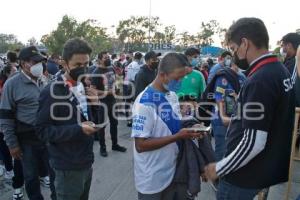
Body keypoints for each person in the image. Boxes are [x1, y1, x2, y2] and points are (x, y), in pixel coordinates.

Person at [204, 17, 295, 200]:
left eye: (234, 49)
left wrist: (219, 168)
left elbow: (254, 142)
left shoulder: (261, 78)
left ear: (245, 43)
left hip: (243, 178)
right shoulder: (279, 70)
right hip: (261, 172)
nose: (234, 55)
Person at [132, 52, 205, 200]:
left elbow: (170, 122)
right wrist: (178, 136)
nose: (181, 81)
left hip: (174, 172)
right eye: (178, 77)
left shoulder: (171, 95)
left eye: (183, 77)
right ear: (163, 75)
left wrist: (190, 123)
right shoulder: (144, 103)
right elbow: (141, 145)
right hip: (152, 180)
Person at [35, 38, 101, 200]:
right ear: (64, 64)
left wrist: (96, 105)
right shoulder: (51, 91)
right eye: (78, 65)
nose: (84, 69)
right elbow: (42, 131)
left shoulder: (83, 86)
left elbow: (89, 119)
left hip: (86, 160)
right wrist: (78, 129)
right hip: (66, 166)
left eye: (86, 64)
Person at [0, 46, 55, 200]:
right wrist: (12, 144)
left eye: (40, 61)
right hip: (26, 138)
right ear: (23, 63)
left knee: (54, 172)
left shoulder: (44, 80)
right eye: (35, 61)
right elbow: (5, 117)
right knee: (30, 176)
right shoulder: (12, 84)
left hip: (48, 135)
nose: (39, 65)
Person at [91, 51, 127, 157]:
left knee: (114, 123)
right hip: (102, 103)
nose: (108, 59)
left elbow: (113, 81)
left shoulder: (111, 68)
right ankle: (103, 148)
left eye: (108, 57)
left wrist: (116, 88)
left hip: (113, 101)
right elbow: (93, 91)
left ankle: (115, 144)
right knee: (102, 126)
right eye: (105, 57)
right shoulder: (96, 72)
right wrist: (108, 92)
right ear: (99, 59)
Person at [0, 63, 24, 200]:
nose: (16, 73)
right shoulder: (7, 87)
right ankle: (17, 186)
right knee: (18, 160)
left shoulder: (20, 85)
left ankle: (42, 175)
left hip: (27, 130)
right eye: (13, 71)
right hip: (12, 130)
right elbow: (5, 114)